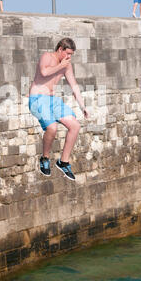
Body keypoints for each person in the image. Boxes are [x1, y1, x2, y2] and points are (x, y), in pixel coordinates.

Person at [29, 38, 89, 181]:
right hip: (37, 99)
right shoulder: (47, 57)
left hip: (52, 100)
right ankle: (45, 158)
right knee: (52, 128)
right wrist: (60, 65)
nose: (69, 57)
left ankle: (63, 162)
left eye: (71, 55)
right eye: (68, 53)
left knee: (75, 125)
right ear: (60, 49)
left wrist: (82, 106)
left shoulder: (66, 66)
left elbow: (74, 85)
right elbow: (44, 72)